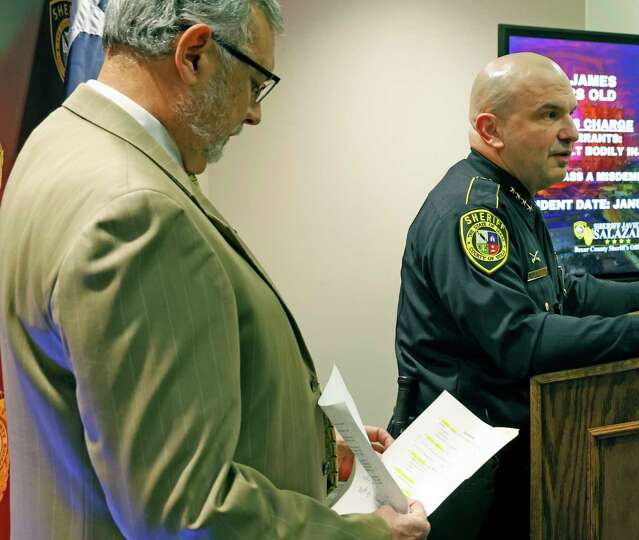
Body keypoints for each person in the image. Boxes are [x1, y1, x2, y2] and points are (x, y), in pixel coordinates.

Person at [0, 1, 429, 538]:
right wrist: (369, 533)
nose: (255, 114)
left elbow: (122, 412)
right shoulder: (138, 214)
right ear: (195, 54)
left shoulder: (58, 140)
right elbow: (185, 511)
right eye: (255, 83)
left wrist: (312, 445)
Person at [392, 52, 639, 539]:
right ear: (492, 129)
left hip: (503, 451)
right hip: (467, 469)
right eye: (550, 115)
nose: (572, 131)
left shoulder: (511, 196)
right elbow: (521, 340)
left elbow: (565, 293)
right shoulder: (473, 214)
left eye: (570, 113)